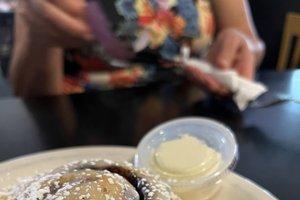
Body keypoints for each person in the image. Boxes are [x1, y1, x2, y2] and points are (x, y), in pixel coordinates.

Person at [10, 0, 265, 97]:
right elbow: (31, 94)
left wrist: (240, 45)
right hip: (80, 129)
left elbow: (252, 42)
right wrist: (37, 33)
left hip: (195, 119)